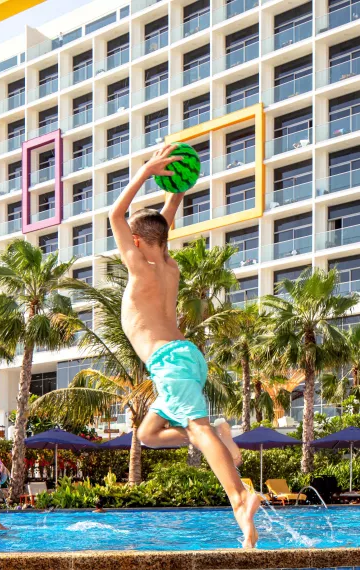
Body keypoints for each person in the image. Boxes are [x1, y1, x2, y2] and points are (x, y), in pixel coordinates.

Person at [108, 144, 259, 548]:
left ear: (136, 242)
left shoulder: (139, 266)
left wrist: (146, 170)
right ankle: (221, 434)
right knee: (148, 433)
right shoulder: (168, 265)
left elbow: (114, 215)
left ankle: (239, 498)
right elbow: (162, 224)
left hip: (169, 361)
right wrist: (179, 186)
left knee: (196, 426)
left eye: (130, 239)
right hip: (183, 357)